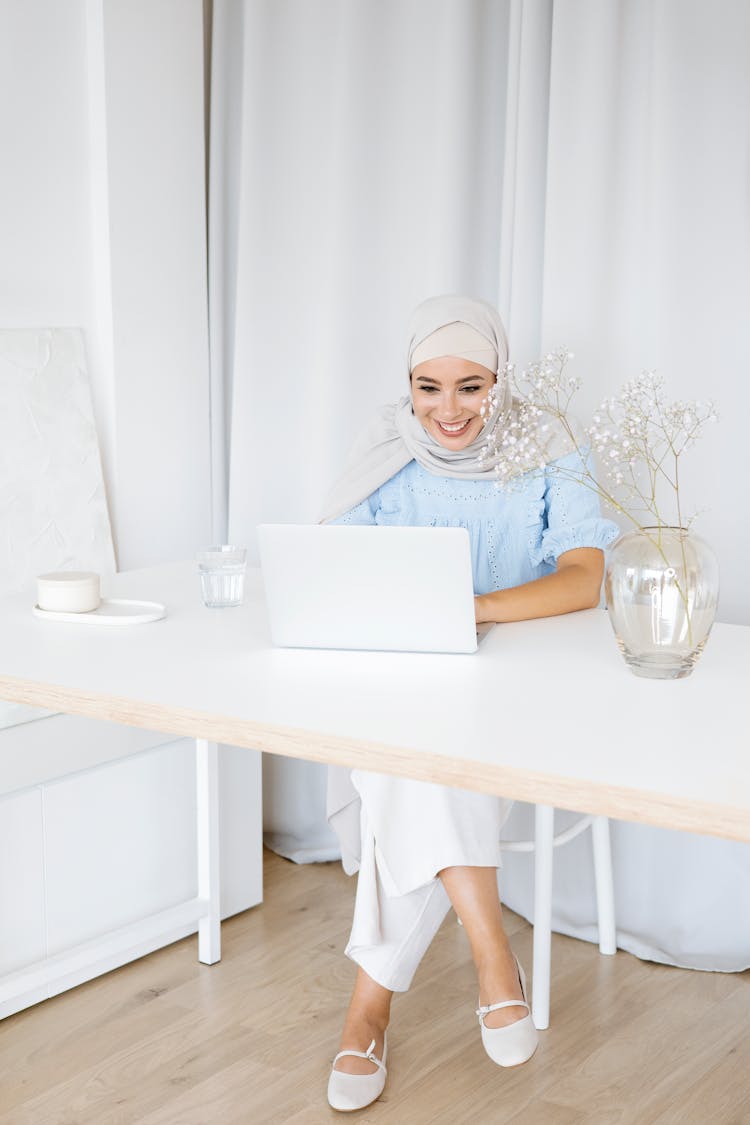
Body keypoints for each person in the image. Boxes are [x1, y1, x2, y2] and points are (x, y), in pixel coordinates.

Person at [320, 294, 619, 1112]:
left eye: (471, 386)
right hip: (408, 679)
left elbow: (584, 579)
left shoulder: (548, 443)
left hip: (523, 690)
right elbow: (340, 568)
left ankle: (368, 1011)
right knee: (413, 752)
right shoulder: (387, 448)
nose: (448, 411)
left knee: (408, 769)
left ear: (502, 379)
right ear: (407, 386)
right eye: (428, 387)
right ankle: (494, 952)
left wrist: (473, 607)